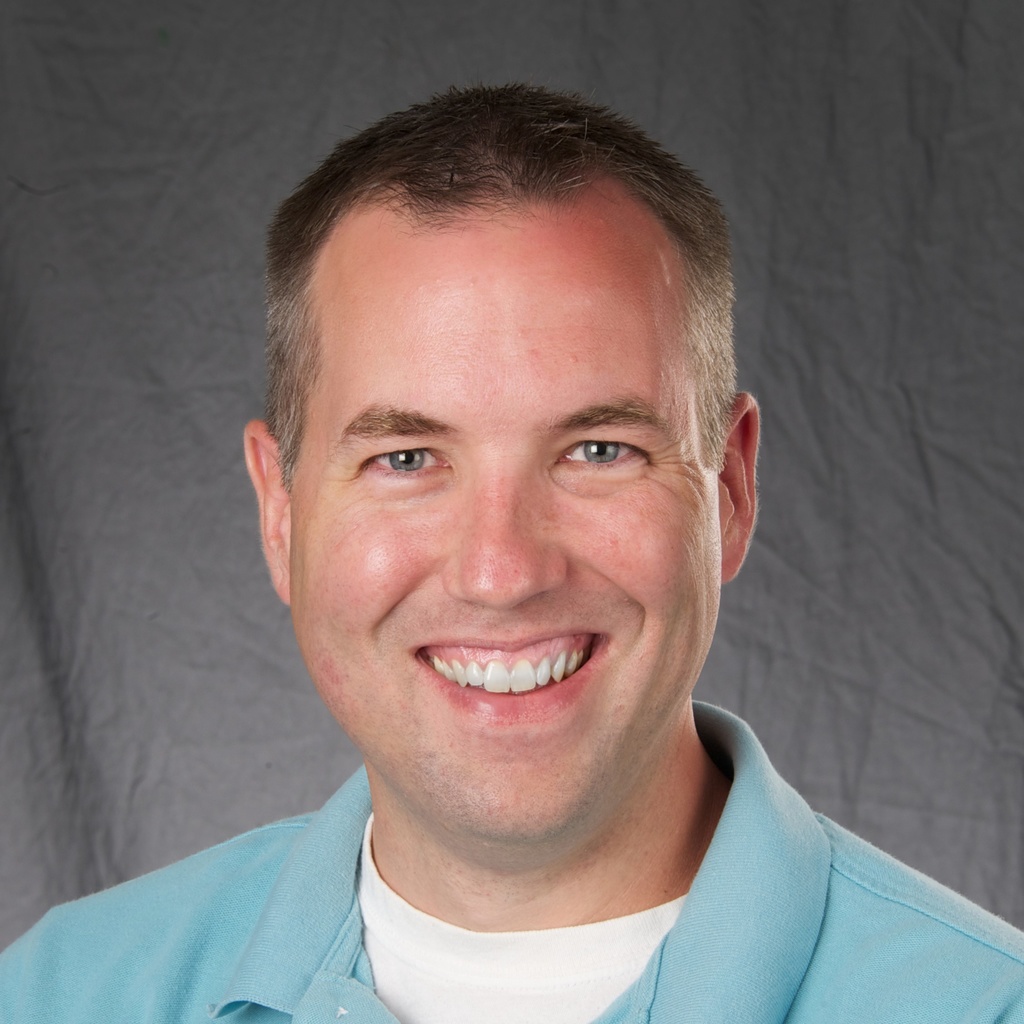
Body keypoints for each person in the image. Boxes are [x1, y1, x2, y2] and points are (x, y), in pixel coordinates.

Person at [1, 83, 1022, 1024]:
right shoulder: (63, 992)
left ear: (730, 488)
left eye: (597, 450)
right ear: (280, 510)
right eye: (406, 456)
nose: (500, 570)